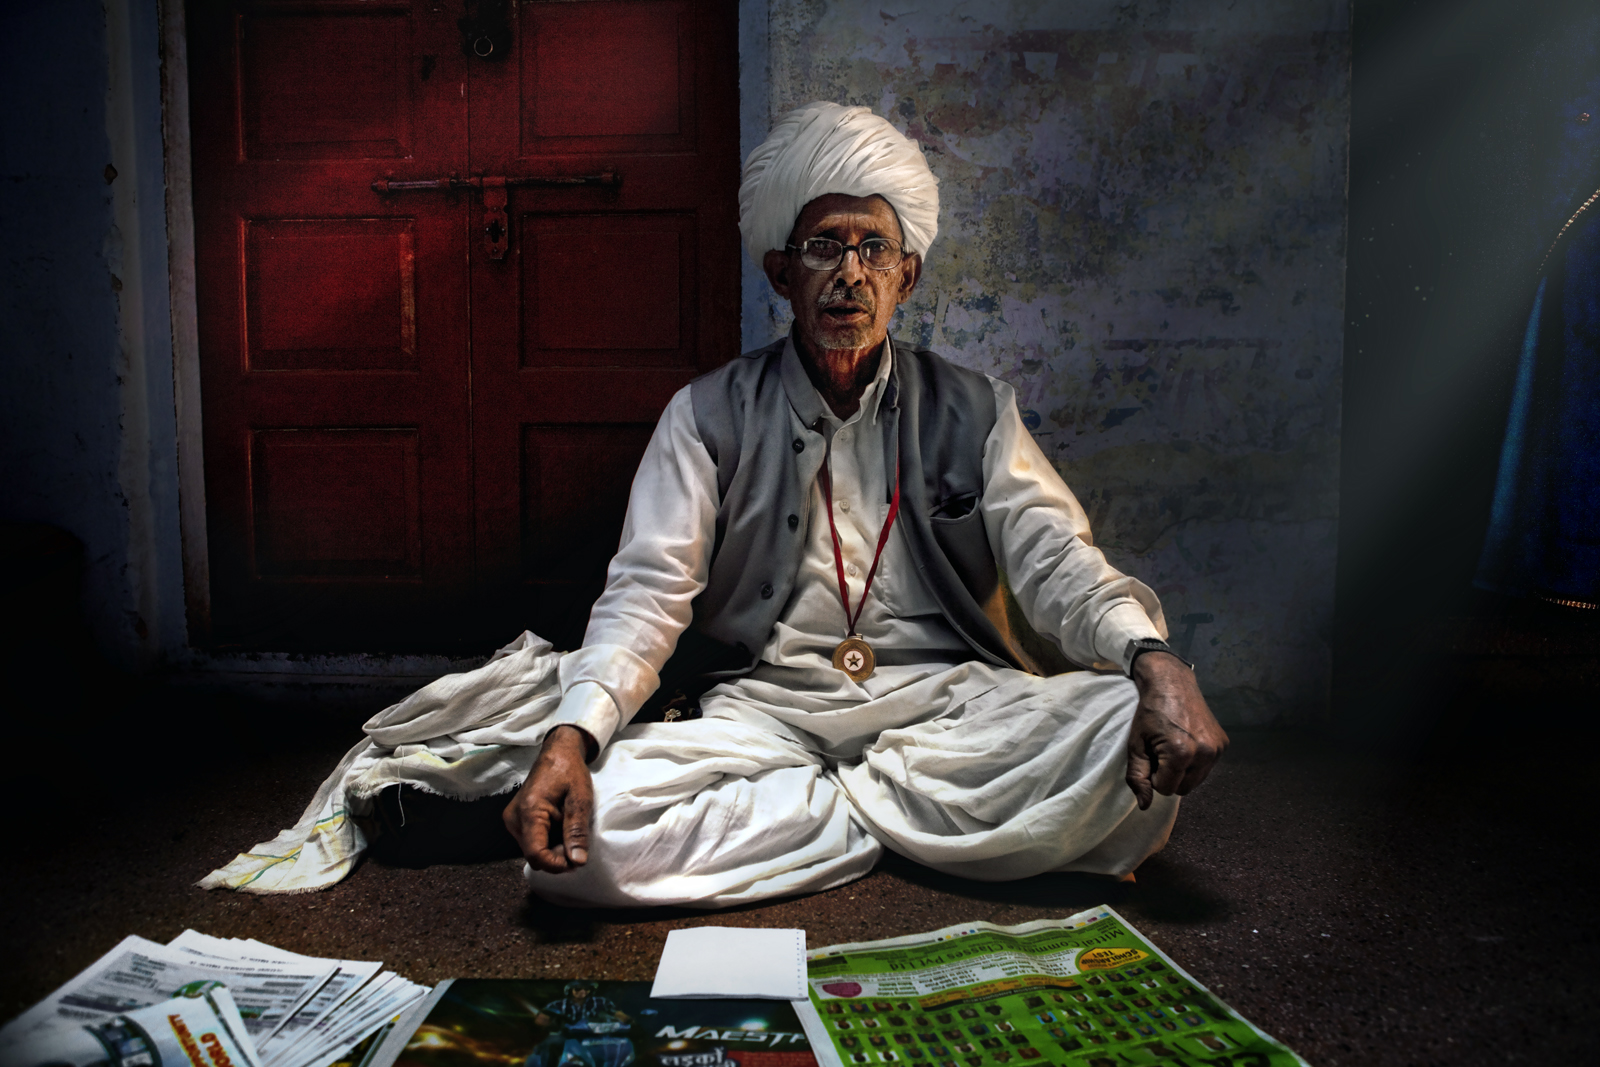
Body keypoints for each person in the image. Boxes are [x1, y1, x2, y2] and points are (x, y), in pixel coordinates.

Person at [198, 102, 1225, 905]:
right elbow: (646, 594)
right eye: (824, 247)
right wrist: (573, 739)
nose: (848, 275)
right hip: (765, 710)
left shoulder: (973, 406)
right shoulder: (703, 414)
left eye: (872, 249)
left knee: (1115, 733)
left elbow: (1053, 555)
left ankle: (819, 821)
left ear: (907, 275)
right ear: (782, 270)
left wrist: (1155, 659)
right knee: (591, 853)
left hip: (942, 703)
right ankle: (908, 825)